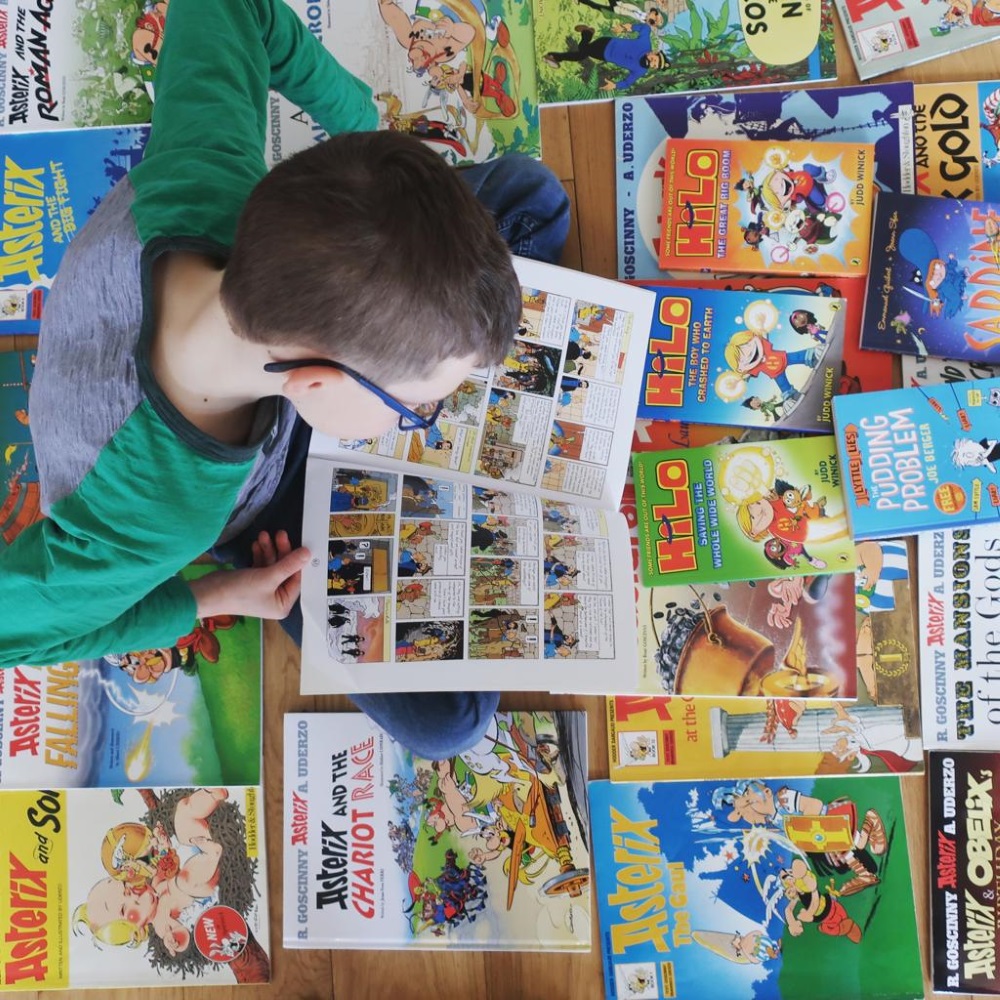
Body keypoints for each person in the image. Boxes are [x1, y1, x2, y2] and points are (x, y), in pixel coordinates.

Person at [0, 0, 569, 761]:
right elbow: (18, 634)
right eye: (417, 407)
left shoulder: (213, 170)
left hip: (280, 325)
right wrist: (210, 597)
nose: (430, 411)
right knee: (450, 721)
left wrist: (364, 131)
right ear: (314, 385)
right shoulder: (145, 522)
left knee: (533, 198)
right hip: (255, 508)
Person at [544, 23, 669, 92]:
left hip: (604, 55)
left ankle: (587, 33)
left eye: (655, 65)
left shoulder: (641, 70)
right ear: (654, 52)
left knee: (584, 50)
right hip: (606, 43)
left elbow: (627, 82)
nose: (652, 63)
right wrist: (627, 27)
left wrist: (615, 86)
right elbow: (646, 28)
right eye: (654, 59)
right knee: (582, 54)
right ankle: (554, 57)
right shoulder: (645, 43)